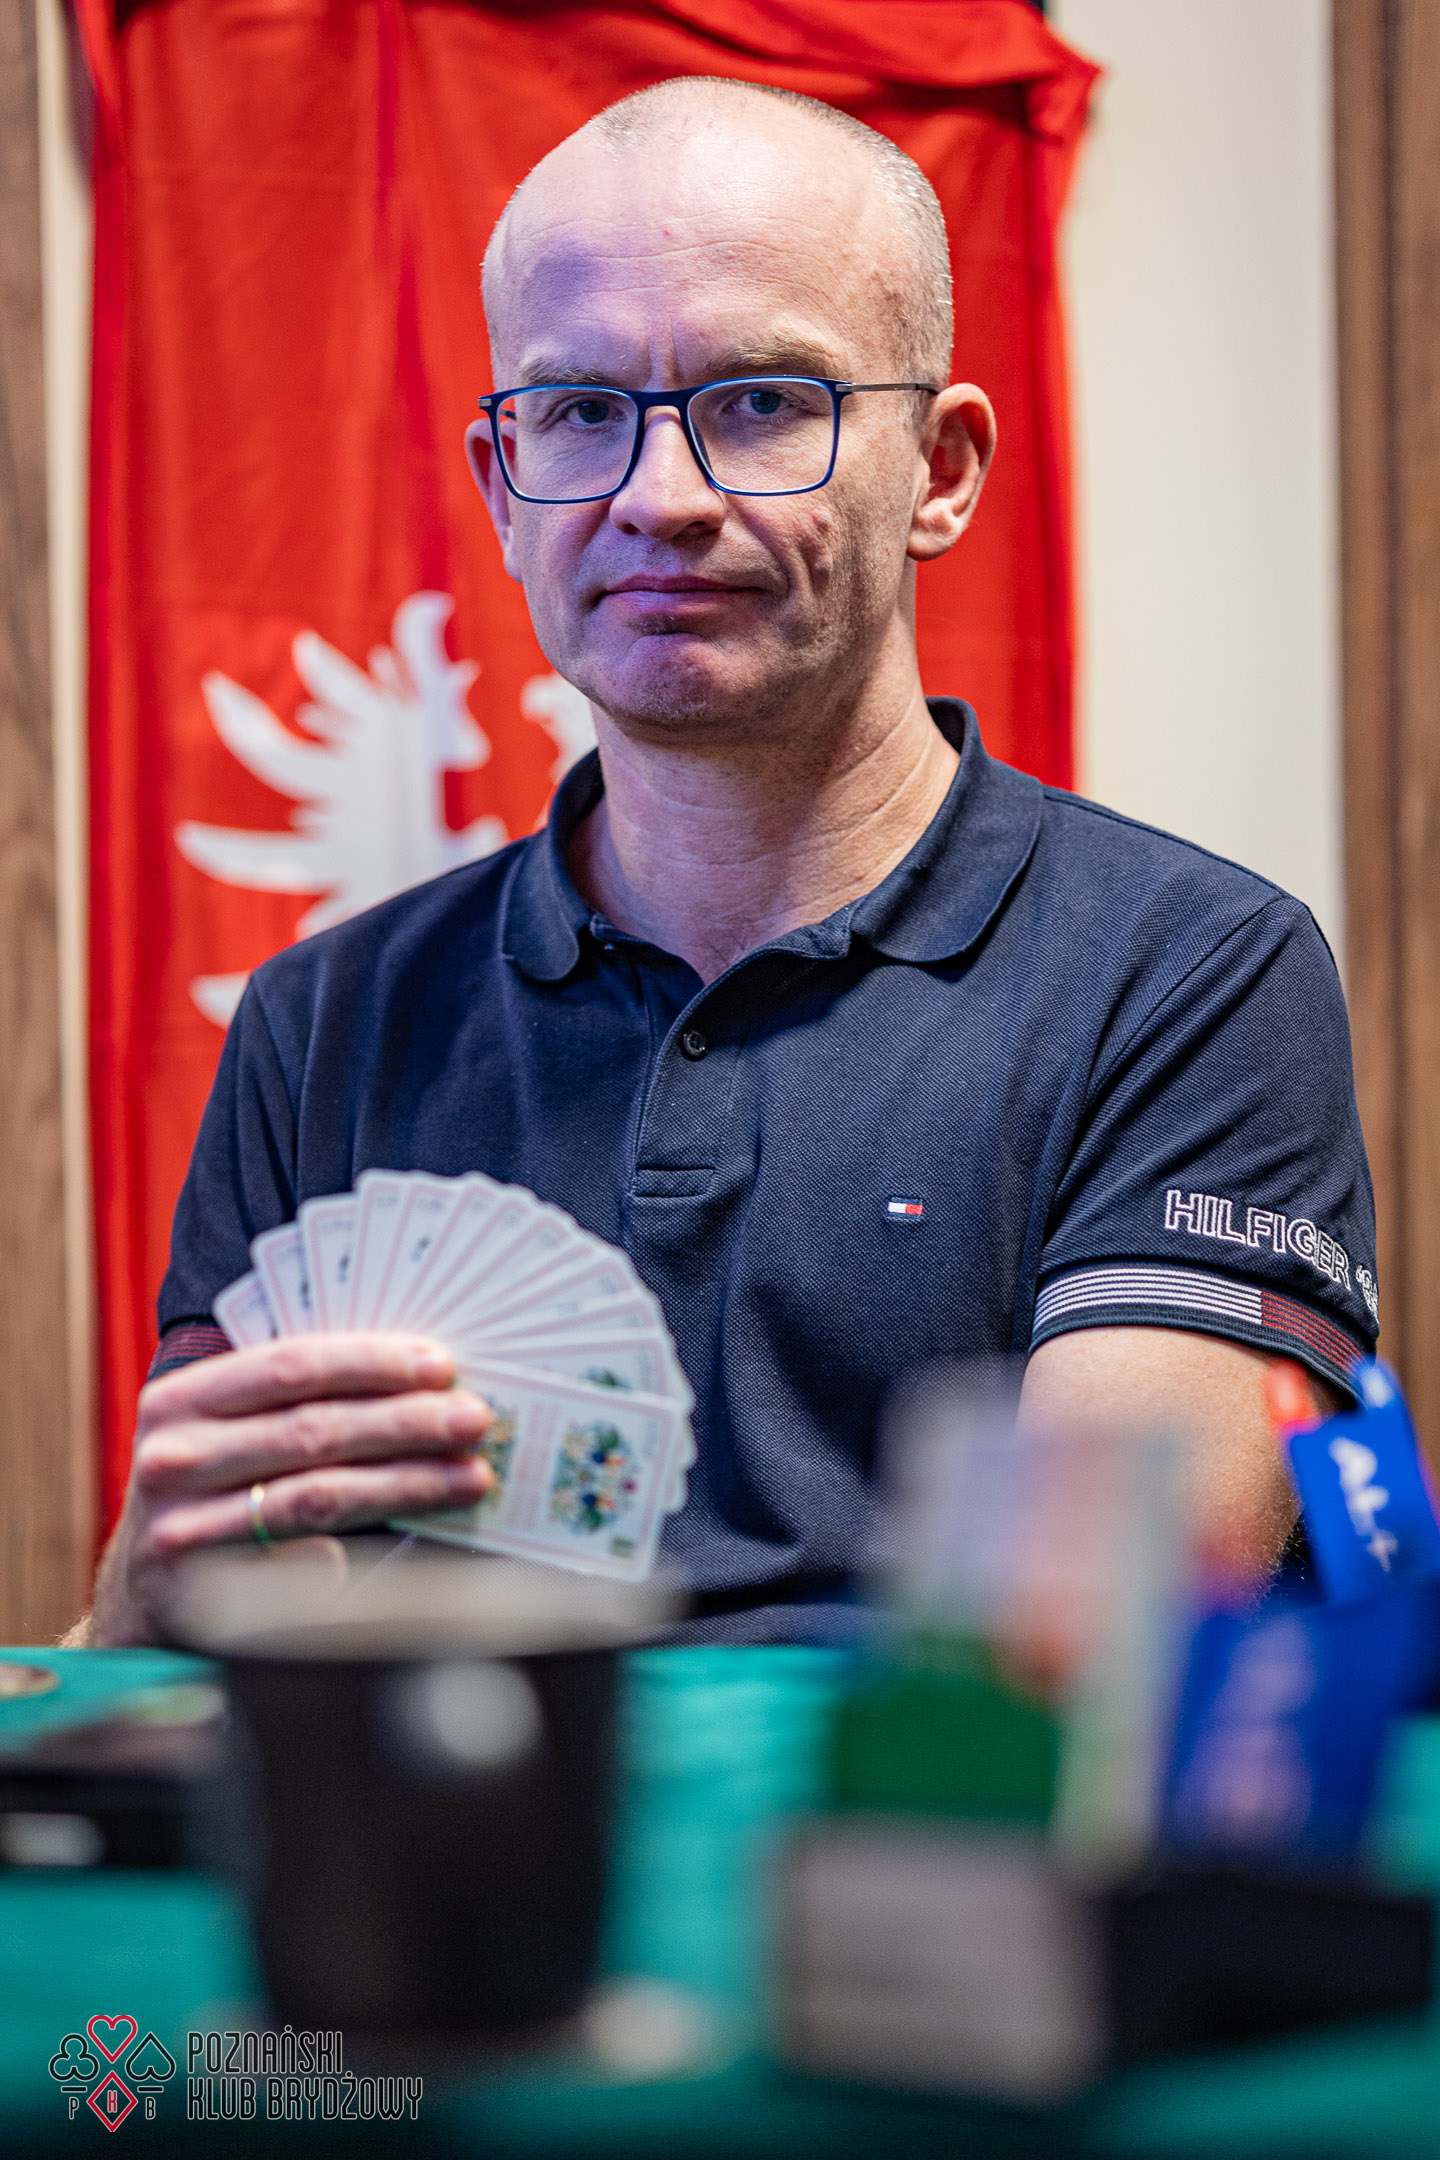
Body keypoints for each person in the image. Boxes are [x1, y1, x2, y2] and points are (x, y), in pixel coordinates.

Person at [77, 78, 1376, 1649]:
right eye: (579, 411)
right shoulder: (322, 1022)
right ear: (500, 486)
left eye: (762, 402)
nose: (660, 499)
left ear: (942, 469)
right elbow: (230, 1635)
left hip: (912, 1810)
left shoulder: (1187, 977)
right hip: (455, 1802)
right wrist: (165, 1584)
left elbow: (1083, 1643)